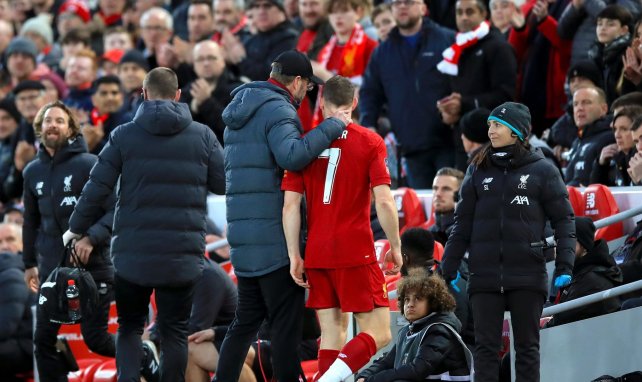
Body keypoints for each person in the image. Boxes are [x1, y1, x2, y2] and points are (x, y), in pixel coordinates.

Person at [66, 67, 226, 382]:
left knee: (129, 327)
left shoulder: (123, 135)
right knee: (175, 331)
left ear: (143, 94)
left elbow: (96, 187)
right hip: (181, 254)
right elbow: (222, 184)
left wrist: (75, 227)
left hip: (131, 254)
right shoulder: (203, 135)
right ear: (179, 95)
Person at [216, 50, 352, 382]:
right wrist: (335, 124)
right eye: (308, 87)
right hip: (275, 237)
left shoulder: (240, 111)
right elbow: (291, 156)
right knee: (285, 327)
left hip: (244, 238)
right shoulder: (278, 109)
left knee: (245, 322)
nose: (307, 95)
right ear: (297, 82)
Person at [440, 102, 576, 382]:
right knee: (485, 350)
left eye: (497, 125)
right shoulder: (477, 168)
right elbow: (462, 222)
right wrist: (449, 263)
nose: (490, 130)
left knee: (526, 349)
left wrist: (564, 266)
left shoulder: (543, 170)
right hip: (485, 274)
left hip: (527, 273)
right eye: (490, 124)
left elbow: (564, 220)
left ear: (516, 132)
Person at [282, 75, 402, 381]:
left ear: (321, 104)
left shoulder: (302, 145)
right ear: (355, 102)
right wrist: (396, 246)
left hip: (317, 252)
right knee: (380, 333)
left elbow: (290, 206)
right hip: (354, 250)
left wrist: (295, 255)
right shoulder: (370, 141)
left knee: (333, 334)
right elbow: (385, 202)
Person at [22, 101, 120, 382]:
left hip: (94, 265)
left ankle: (145, 356)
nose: (52, 125)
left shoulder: (90, 164)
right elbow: (30, 222)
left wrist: (91, 237)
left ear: (71, 128)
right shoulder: (31, 172)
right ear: (39, 129)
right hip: (53, 269)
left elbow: (117, 209)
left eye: (59, 121)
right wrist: (28, 263)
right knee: (43, 340)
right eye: (47, 121)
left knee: (96, 339)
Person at [359, 0, 455, 188]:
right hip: (411, 147)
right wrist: (368, 124)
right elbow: (370, 92)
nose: (402, 6)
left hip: (448, 142)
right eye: (397, 3)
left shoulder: (447, 40)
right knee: (419, 210)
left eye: (409, 2)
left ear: (423, 7)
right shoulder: (382, 53)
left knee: (451, 207)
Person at [355, 270, 471, 382]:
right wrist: (365, 375)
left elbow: (418, 370)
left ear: (433, 302)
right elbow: (387, 361)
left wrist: (374, 379)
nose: (410, 304)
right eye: (407, 299)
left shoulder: (440, 330)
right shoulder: (409, 330)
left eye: (418, 299)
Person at [400, 228, 474, 347]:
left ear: (405, 258)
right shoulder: (442, 274)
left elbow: (453, 336)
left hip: (460, 356)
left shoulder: (441, 288)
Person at [546, 217, 622, 327]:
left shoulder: (591, 281)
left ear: (584, 246)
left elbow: (559, 321)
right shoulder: (576, 271)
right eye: (556, 240)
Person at [0, 223, 33, 380]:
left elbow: (5, 327)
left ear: (22, 244)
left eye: (10, 239)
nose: (5, 246)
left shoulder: (12, 273)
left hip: (26, 347)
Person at [565, 86, 614, 186]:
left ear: (604, 109)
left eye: (586, 102)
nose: (579, 108)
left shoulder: (610, 137)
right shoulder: (577, 141)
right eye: (575, 104)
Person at [429, 167, 464, 246]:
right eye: (435, 188)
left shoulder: (469, 233)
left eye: (446, 189)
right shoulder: (427, 236)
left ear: (460, 194)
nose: (438, 194)